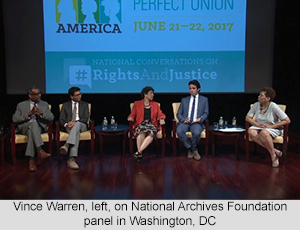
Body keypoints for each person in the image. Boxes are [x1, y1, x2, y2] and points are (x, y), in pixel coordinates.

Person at [246, 87, 291, 167]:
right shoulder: (256, 105)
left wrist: (272, 126)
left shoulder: (273, 106)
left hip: (273, 128)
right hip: (260, 126)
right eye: (259, 95)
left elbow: (287, 120)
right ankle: (274, 151)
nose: (258, 97)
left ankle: (273, 156)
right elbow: (248, 118)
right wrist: (257, 125)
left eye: (261, 95)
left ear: (268, 98)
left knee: (264, 133)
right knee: (250, 131)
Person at [12, 86, 54, 172]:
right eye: (36, 94)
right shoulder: (21, 105)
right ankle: (40, 150)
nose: (39, 96)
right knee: (32, 124)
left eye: (39, 93)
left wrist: (42, 113)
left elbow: (51, 118)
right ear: (30, 96)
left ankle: (31, 161)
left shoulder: (44, 104)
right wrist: (28, 114)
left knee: (32, 131)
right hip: (24, 126)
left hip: (39, 128)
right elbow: (15, 119)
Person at [127, 86, 166, 159]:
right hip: (141, 124)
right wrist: (131, 117)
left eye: (153, 93)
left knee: (151, 132)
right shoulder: (137, 104)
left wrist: (161, 118)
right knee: (140, 132)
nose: (153, 95)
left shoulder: (155, 104)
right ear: (145, 94)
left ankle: (138, 152)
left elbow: (161, 114)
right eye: (151, 93)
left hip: (152, 125)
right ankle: (139, 153)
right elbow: (132, 114)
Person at [176, 80, 209, 160]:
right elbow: (178, 114)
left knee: (197, 132)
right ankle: (192, 149)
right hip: (185, 122)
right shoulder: (184, 100)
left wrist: (200, 119)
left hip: (196, 123)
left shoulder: (204, 100)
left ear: (198, 89)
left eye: (193, 88)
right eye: (190, 88)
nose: (191, 90)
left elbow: (206, 113)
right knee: (179, 131)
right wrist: (183, 119)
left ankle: (192, 148)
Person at [59, 87, 89, 170]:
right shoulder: (65, 105)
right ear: (71, 96)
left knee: (78, 124)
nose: (80, 96)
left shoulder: (84, 104)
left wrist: (75, 122)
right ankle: (71, 159)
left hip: (82, 125)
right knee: (76, 134)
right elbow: (61, 119)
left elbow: (85, 118)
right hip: (70, 127)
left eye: (80, 94)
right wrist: (66, 124)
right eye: (77, 95)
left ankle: (66, 145)